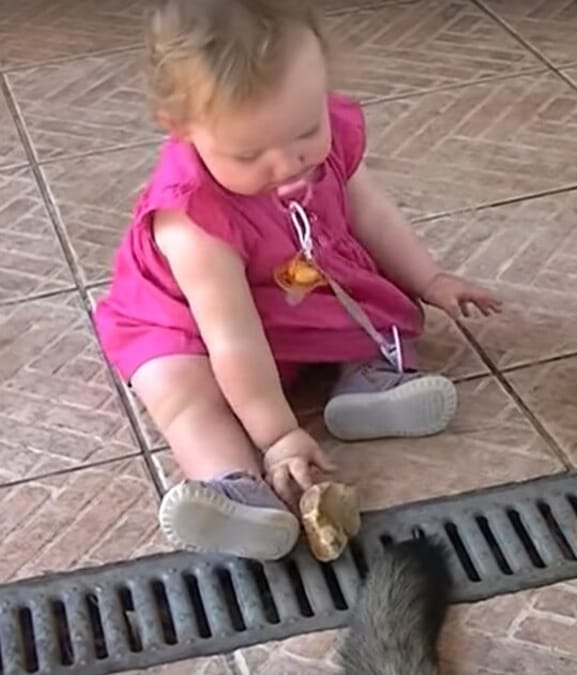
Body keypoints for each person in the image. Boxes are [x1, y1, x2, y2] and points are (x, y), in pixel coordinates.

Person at [92, 0, 502, 561]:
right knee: (184, 394)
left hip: (288, 291)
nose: (287, 163)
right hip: (188, 325)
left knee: (370, 308)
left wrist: (428, 278)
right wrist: (277, 436)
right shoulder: (192, 224)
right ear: (181, 128)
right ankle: (233, 490)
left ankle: (365, 384)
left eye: (306, 130)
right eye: (250, 152)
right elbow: (231, 338)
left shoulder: (318, 139)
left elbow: (370, 211)